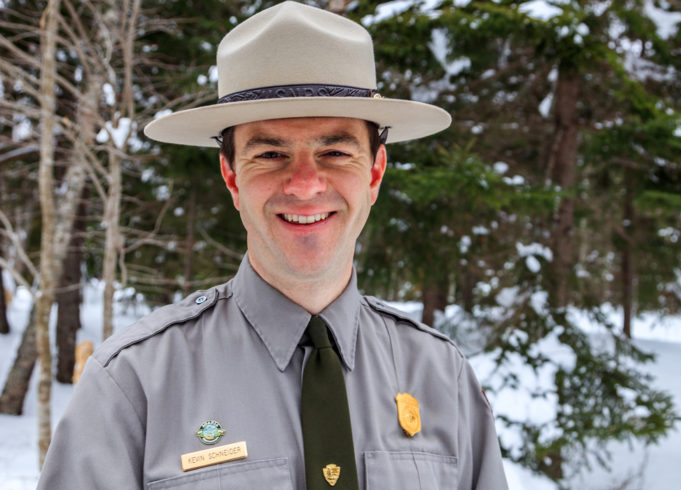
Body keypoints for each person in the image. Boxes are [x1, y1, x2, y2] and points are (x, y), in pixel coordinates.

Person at [38, 2, 509, 489]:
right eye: (270, 154)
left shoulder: (440, 377)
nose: (305, 184)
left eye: (335, 151)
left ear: (374, 171)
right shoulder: (135, 385)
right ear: (231, 176)